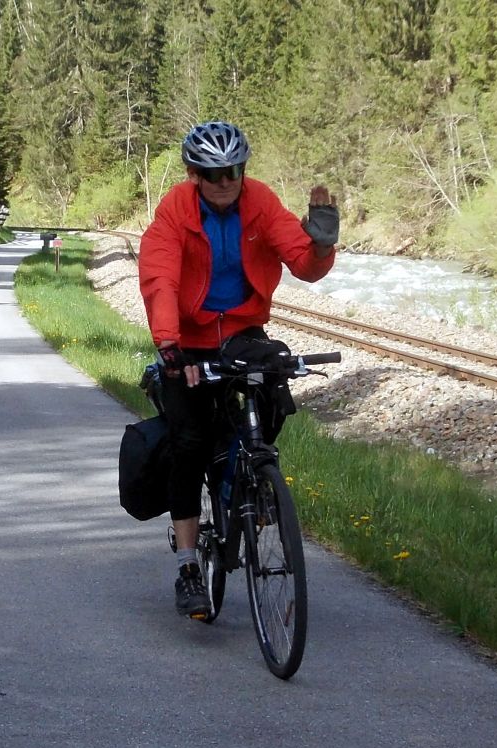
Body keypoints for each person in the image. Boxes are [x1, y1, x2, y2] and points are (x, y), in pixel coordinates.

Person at [138, 120, 340, 618]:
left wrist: (320, 244)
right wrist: (169, 348)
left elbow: (303, 264)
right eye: (213, 173)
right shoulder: (175, 212)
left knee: (274, 396)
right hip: (188, 339)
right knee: (187, 443)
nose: (226, 180)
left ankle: (250, 476)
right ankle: (188, 565)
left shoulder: (261, 202)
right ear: (194, 175)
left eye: (234, 170)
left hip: (244, 333)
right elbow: (161, 278)